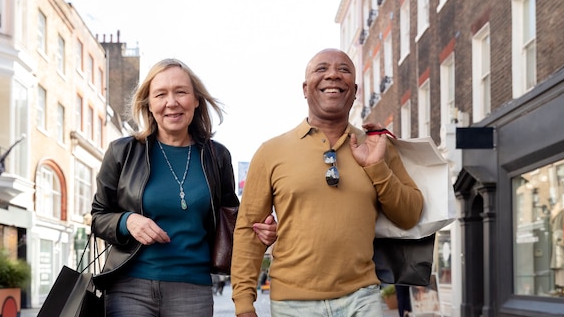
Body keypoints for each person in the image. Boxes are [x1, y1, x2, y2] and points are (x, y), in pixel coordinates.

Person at [231, 48, 424, 317]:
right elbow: (247, 230)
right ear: (305, 88)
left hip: (362, 298)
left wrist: (376, 167)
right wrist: (243, 304)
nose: (333, 75)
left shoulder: (378, 146)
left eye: (343, 70)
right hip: (292, 303)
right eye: (321, 69)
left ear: (355, 90)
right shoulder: (271, 152)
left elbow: (410, 215)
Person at [91, 58, 277, 317]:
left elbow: (233, 221)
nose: (171, 102)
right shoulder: (123, 151)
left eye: (180, 92)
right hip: (129, 288)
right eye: (160, 94)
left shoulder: (217, 156)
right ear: (149, 104)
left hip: (192, 289)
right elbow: (98, 217)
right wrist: (127, 221)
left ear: (196, 100)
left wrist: (261, 232)